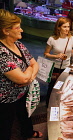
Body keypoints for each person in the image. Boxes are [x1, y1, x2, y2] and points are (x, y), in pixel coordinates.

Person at [0, 9, 42, 139]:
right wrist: (29, 73)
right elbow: (22, 79)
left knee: (24, 117)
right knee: (5, 127)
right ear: (6, 31)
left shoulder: (18, 44)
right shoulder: (2, 53)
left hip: (22, 93)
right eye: (18, 27)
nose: (22, 30)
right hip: (6, 100)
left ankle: (28, 133)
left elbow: (35, 64)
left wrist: (28, 76)